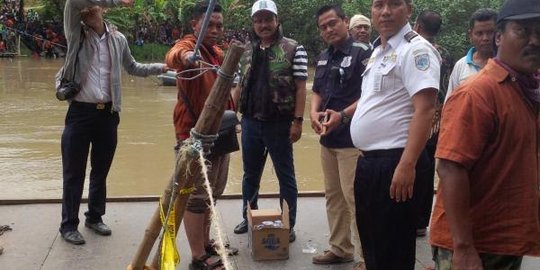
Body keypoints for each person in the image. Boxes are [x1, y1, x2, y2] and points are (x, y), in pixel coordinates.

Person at [429, 0, 540, 268]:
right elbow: (450, 168)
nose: (535, 41)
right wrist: (464, 248)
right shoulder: (478, 93)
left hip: (507, 238)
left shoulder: (526, 90)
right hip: (475, 245)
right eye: (523, 31)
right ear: (499, 37)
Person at [57, 0, 168, 245]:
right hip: (79, 113)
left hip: (108, 114)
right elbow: (73, 2)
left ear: (101, 12)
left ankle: (94, 217)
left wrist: (164, 67)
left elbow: (134, 67)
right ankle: (68, 225)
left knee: (100, 170)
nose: (88, 8)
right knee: (73, 172)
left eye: (93, 6)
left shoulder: (118, 39)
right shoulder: (76, 34)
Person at [349, 0, 440, 269]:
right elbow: (373, 100)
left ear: (409, 10)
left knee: (393, 250)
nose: (385, 11)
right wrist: (342, 115)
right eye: (379, 4)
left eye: (394, 4)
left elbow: (426, 109)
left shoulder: (415, 50)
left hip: (396, 163)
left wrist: (407, 164)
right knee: (373, 245)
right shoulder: (379, 51)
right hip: (370, 163)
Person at [164, 1, 237, 269]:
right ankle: (198, 255)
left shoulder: (217, 53)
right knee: (194, 196)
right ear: (195, 24)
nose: (216, 29)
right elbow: (173, 56)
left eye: (219, 25)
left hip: (221, 131)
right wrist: (185, 58)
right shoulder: (189, 47)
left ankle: (206, 242)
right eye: (210, 24)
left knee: (212, 190)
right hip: (194, 132)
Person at [232, 0, 308, 243]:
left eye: (268, 19)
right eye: (258, 20)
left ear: (277, 21)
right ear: (253, 23)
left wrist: (298, 121)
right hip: (251, 122)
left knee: (285, 175)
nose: (263, 25)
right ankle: (248, 215)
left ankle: (289, 222)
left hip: (280, 123)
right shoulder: (245, 51)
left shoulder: (294, 49)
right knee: (249, 174)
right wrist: (232, 117)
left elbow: (301, 88)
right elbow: (238, 86)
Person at [310, 4, 371, 269]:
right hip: (328, 139)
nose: (328, 30)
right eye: (323, 27)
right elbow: (316, 90)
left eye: (332, 23)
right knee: (333, 196)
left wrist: (343, 115)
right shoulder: (324, 56)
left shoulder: (363, 52)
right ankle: (340, 248)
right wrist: (313, 113)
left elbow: (370, 94)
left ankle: (366, 257)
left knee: (355, 198)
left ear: (345, 22)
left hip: (352, 140)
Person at [412, 9, 454, 237]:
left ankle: (408, 217)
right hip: (439, 118)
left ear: (417, 25)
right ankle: (420, 221)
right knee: (427, 170)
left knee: (413, 166)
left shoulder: (414, 50)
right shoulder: (445, 54)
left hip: (416, 116)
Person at [445, 8, 497, 102]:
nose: (485, 38)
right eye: (479, 33)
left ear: (499, 33)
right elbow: (450, 102)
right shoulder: (461, 65)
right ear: (470, 35)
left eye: (490, 33)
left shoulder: (508, 64)